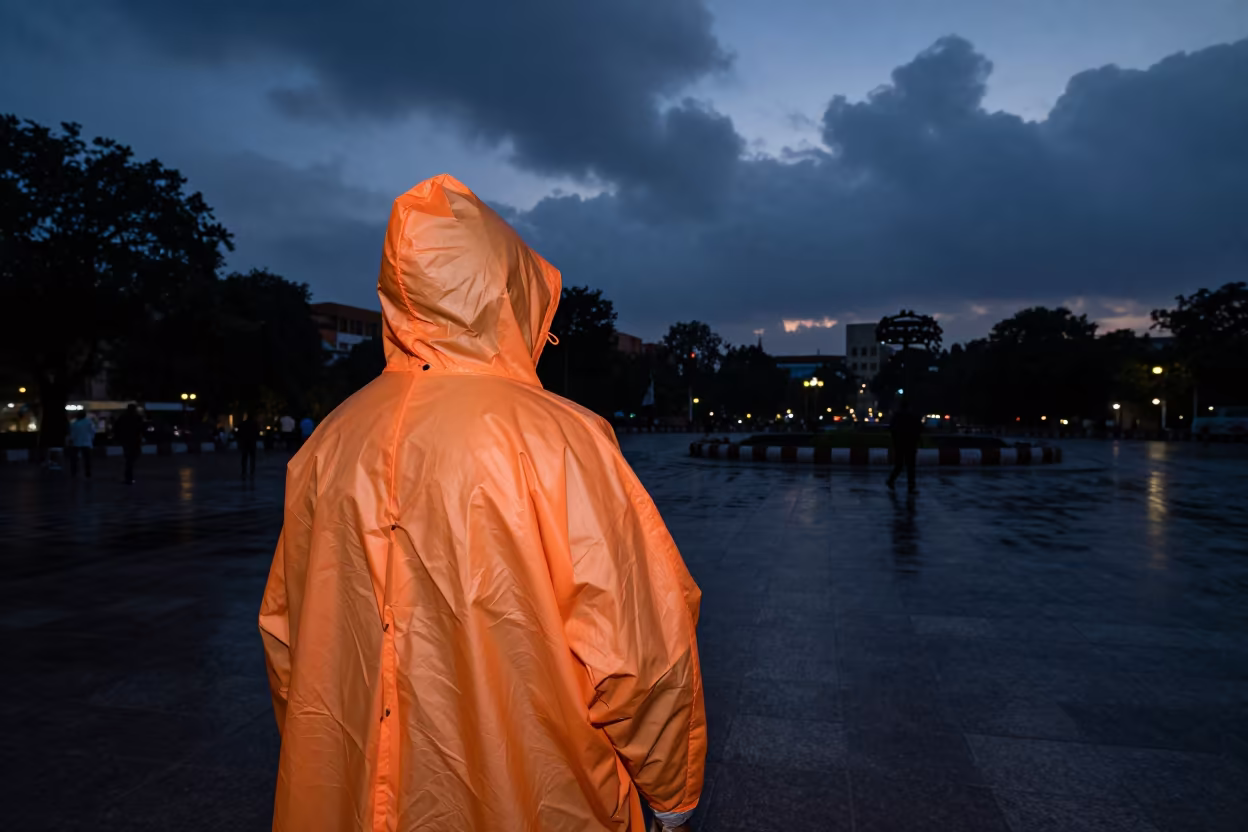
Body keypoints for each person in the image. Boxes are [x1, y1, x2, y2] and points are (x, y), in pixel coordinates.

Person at [259, 175, 705, 832]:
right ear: (511, 292)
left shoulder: (331, 440)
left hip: (349, 793)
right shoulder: (560, 440)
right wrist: (672, 790)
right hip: (530, 794)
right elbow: (640, 646)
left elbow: (287, 635)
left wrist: (325, 752)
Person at [887, 398, 922, 493]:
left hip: (899, 444)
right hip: (910, 444)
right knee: (911, 467)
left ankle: (891, 480)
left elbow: (892, 429)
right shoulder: (913, 417)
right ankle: (911, 487)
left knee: (899, 465)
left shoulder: (896, 417)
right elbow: (919, 429)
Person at [113, 404, 144, 485]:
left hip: (126, 440)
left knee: (128, 458)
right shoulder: (137, 417)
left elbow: (116, 427)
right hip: (135, 440)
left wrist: (118, 438)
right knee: (132, 457)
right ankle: (129, 475)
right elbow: (141, 428)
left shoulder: (123, 417)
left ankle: (128, 476)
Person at [66, 411, 96, 478]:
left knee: (74, 459)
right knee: (87, 459)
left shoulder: (74, 423)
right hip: (87, 442)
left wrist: (71, 441)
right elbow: (93, 432)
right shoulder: (89, 422)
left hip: (76, 443)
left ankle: (74, 472)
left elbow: (72, 434)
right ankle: (88, 473)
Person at [236, 414, 259, 479]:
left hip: (244, 442)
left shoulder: (242, 424)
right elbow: (257, 432)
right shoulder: (254, 424)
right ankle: (252, 471)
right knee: (252, 458)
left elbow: (238, 432)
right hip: (252, 442)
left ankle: (244, 471)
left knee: (244, 457)